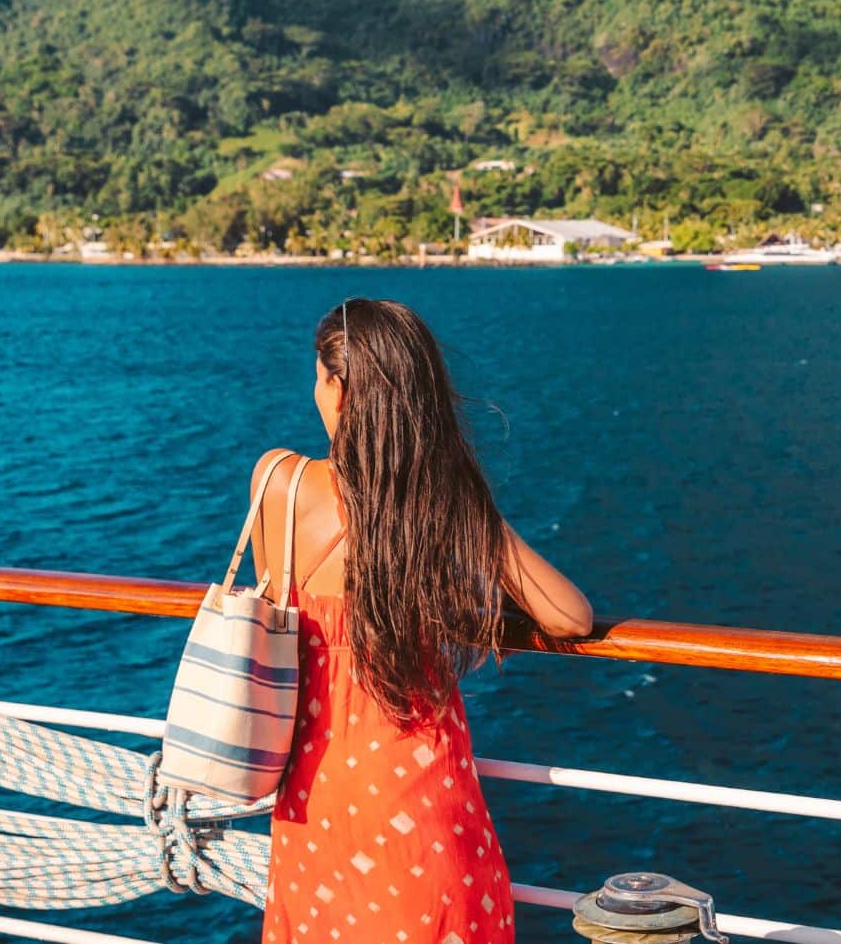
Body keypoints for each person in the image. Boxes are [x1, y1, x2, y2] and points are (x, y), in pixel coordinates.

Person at [251, 297, 594, 943]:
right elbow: (571, 617)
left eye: (319, 377)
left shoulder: (277, 482)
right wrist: (464, 501)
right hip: (421, 807)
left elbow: (275, 615)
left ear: (338, 389)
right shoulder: (436, 503)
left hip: (313, 806)